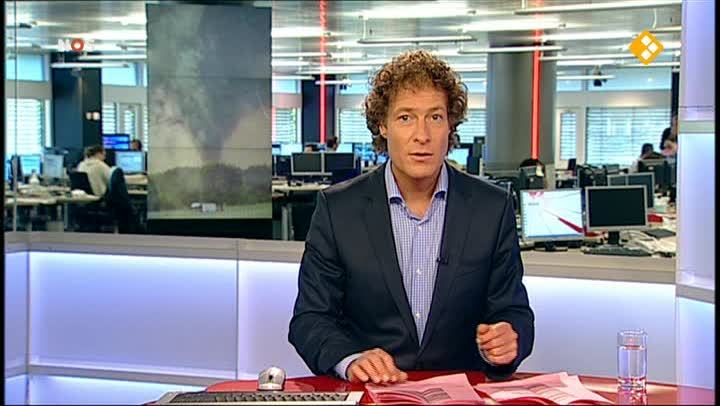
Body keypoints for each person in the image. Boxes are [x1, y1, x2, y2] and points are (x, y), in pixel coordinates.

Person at [289, 49, 534, 384]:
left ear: (450, 125)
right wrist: (350, 359)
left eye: (435, 117)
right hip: (374, 392)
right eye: (406, 117)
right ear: (383, 125)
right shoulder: (338, 209)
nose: (422, 135)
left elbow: (514, 311)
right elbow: (310, 319)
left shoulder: (491, 207)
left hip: (461, 392)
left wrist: (509, 339)